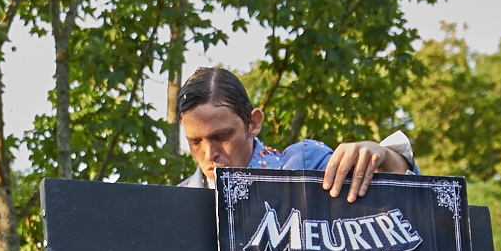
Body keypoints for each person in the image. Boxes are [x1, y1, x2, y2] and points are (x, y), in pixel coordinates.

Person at [175, 66, 416, 197]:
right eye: (195, 141)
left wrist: (384, 155)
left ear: (253, 123)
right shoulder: (173, 204)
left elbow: (410, 202)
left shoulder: (304, 165)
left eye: (222, 136)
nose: (209, 153)